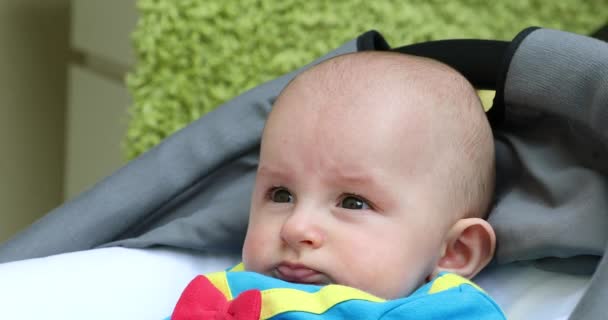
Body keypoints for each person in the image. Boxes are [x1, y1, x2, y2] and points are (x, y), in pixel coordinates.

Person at [168, 51, 504, 319]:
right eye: (281, 195)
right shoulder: (221, 292)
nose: (295, 227)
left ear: (455, 251)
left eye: (352, 203)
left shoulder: (446, 312)